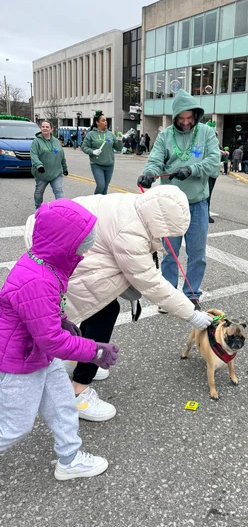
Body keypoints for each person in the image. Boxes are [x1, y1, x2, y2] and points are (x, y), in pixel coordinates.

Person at [24, 186, 213, 422]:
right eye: (167, 230)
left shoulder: (136, 205)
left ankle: (80, 358)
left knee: (102, 308)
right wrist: (192, 314)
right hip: (59, 249)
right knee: (104, 309)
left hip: (49, 234)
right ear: (160, 219)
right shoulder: (130, 231)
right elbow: (151, 283)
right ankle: (77, 391)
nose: (167, 236)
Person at [1, 199, 120, 480]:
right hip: (20, 362)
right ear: (65, 243)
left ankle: (69, 459)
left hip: (36, 355)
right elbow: (52, 340)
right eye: (83, 243)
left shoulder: (45, 263)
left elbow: (42, 318)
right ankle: (69, 458)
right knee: (16, 426)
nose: (88, 249)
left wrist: (60, 318)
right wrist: (94, 350)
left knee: (63, 403)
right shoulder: (38, 279)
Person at [137, 89, 220, 311]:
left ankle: (192, 294)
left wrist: (192, 169)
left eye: (189, 118)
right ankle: (170, 296)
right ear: (175, 117)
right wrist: (148, 173)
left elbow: (214, 163)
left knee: (197, 253)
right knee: (169, 254)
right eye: (181, 119)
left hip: (197, 204)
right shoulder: (165, 136)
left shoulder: (206, 133)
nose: (185, 123)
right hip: (170, 205)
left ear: (196, 115)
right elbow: (155, 160)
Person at [81, 112, 122, 195]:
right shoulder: (91, 135)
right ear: (97, 122)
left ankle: (101, 205)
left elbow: (118, 148)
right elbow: (84, 147)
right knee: (101, 185)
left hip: (109, 165)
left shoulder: (110, 134)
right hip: (96, 164)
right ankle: (94, 202)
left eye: (106, 120)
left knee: (105, 188)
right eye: (103, 120)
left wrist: (120, 140)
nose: (105, 122)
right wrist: (92, 151)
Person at [30, 121, 68, 210]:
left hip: (56, 173)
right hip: (42, 173)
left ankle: (62, 209)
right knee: (39, 192)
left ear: (51, 129)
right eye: (43, 127)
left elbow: (61, 155)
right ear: (41, 129)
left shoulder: (56, 142)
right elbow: (33, 155)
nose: (45, 128)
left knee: (59, 191)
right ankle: (38, 208)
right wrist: (39, 165)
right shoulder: (36, 142)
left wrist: (65, 168)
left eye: (47, 127)